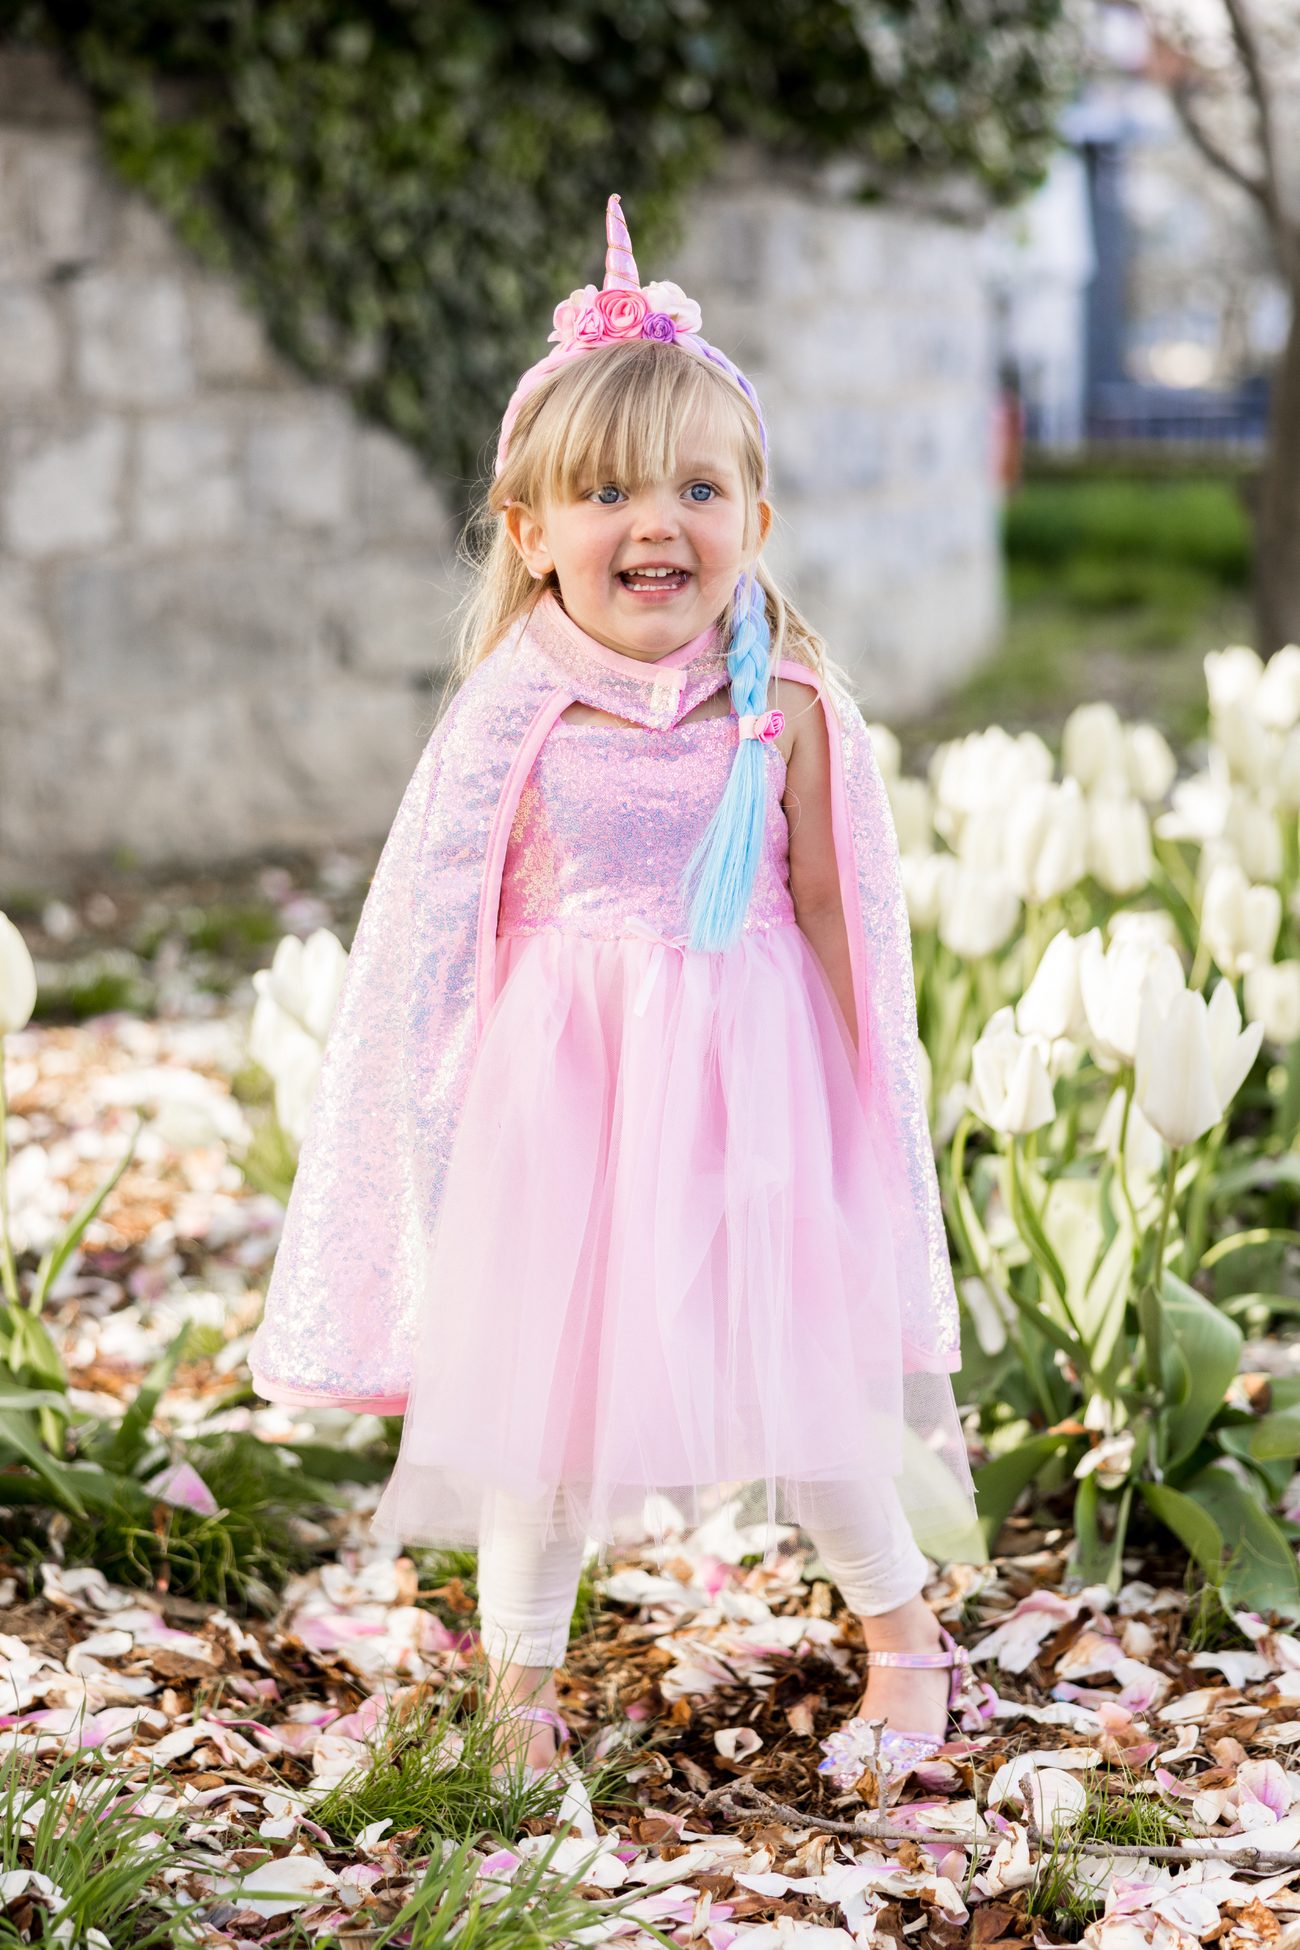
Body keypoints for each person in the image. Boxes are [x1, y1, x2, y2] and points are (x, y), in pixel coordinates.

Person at [250, 196, 978, 1787]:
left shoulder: (784, 704)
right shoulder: (513, 714)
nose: (658, 523)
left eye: (699, 488)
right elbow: (436, 932)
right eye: (607, 493)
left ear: (756, 517)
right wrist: (434, 1137)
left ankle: (905, 1629)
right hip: (565, 1102)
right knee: (547, 1403)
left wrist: (872, 1119)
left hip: (754, 1087)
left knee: (808, 1372)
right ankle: (518, 1687)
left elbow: (838, 911)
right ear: (529, 529)